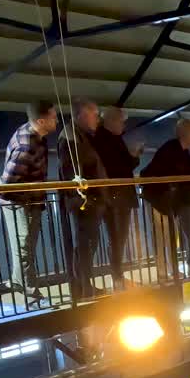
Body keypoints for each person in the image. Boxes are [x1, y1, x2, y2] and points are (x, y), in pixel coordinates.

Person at [0, 100, 58, 308]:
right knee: (23, 247)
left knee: (26, 246)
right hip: (18, 203)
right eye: (53, 117)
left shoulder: (37, 136)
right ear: (41, 121)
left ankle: (17, 281)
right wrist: (0, 186)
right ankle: (32, 296)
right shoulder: (26, 144)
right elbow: (9, 180)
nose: (56, 119)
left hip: (31, 200)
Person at [140, 118, 190, 279]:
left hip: (167, 201)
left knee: (170, 236)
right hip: (157, 199)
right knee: (162, 236)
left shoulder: (182, 151)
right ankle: (164, 272)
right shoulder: (170, 150)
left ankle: (171, 270)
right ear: (188, 134)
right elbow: (161, 174)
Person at [57, 98, 109, 300]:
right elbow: (71, 169)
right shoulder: (70, 138)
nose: (97, 118)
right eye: (94, 114)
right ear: (82, 115)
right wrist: (84, 199)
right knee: (85, 245)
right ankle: (82, 288)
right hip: (85, 202)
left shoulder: (79, 136)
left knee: (87, 245)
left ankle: (84, 285)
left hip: (89, 201)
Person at [91, 105, 141, 290]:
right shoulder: (104, 139)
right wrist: (132, 157)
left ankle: (118, 275)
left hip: (118, 196)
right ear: (111, 120)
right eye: (122, 121)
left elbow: (123, 165)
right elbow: (118, 167)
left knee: (118, 238)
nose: (124, 125)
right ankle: (117, 276)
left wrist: (133, 157)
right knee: (117, 238)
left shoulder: (110, 138)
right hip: (116, 197)